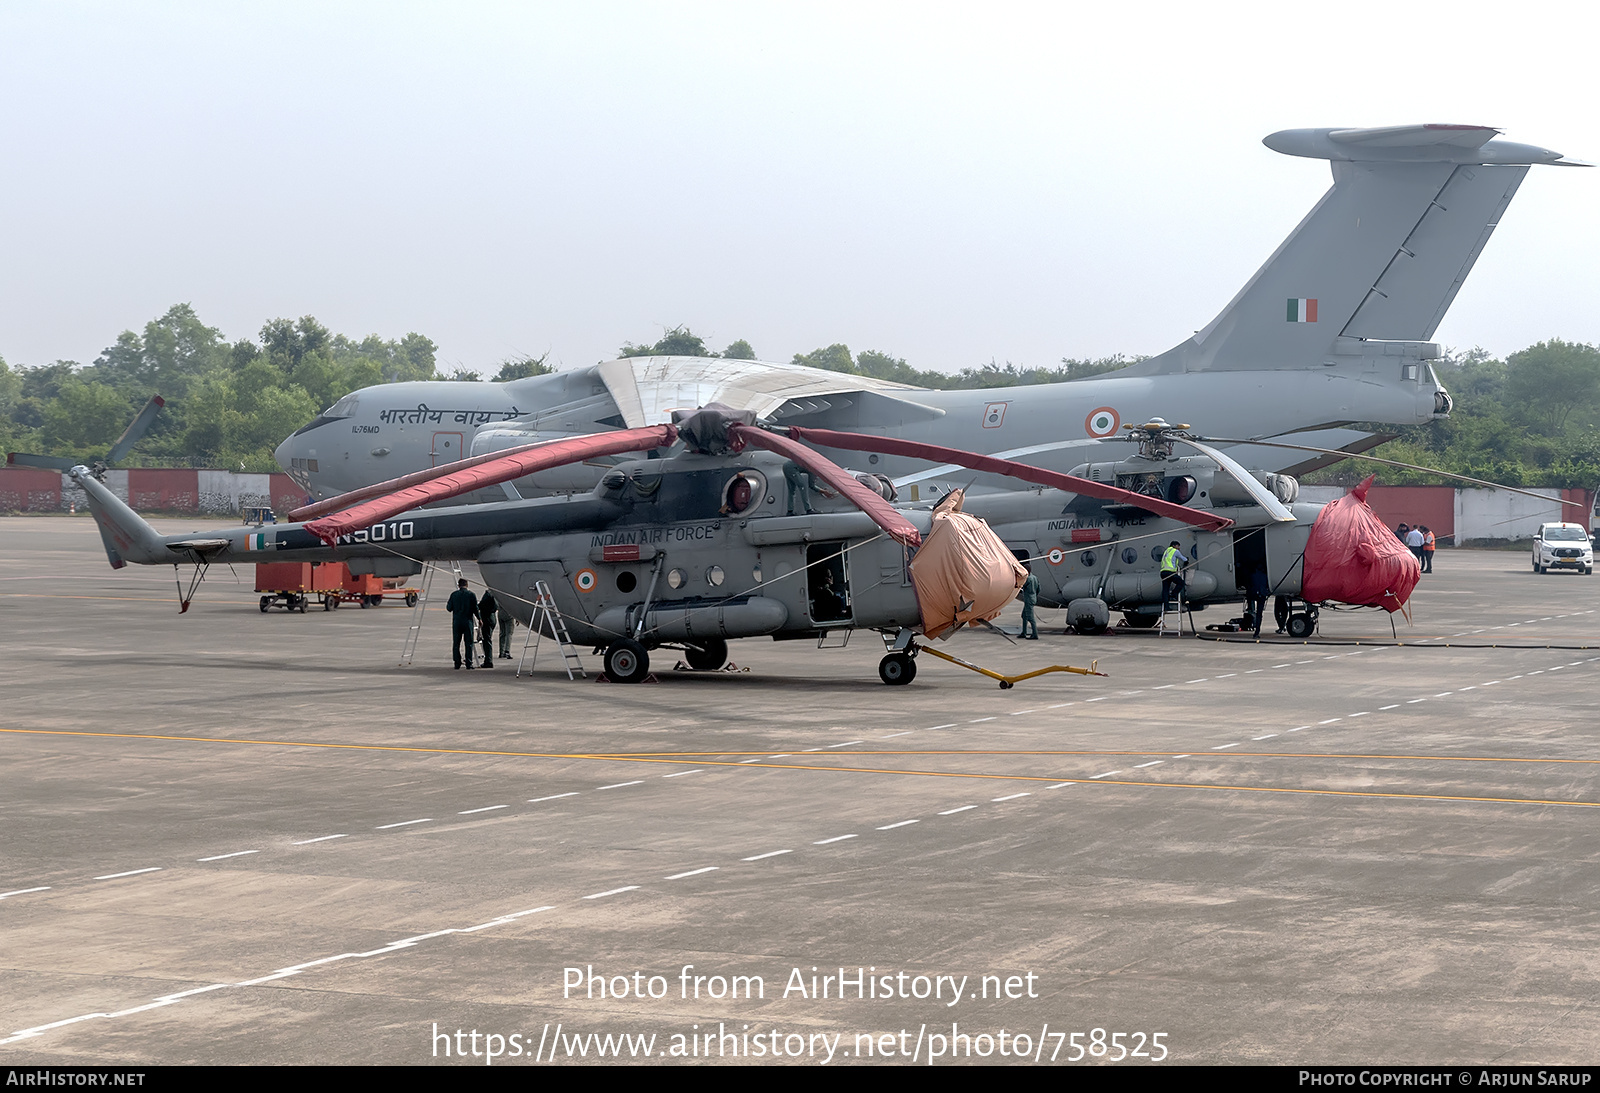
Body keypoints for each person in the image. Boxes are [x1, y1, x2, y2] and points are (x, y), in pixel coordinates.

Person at [446, 579, 479, 670]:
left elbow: (449, 608)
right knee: (468, 643)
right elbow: (475, 609)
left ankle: (457, 663)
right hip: (468, 621)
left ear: (458, 585)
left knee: (456, 643)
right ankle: (469, 663)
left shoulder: (454, 595)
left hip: (457, 621)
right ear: (467, 585)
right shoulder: (471, 595)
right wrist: (479, 619)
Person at [1160, 541, 1188, 608]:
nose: (1179, 548)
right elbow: (1183, 558)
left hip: (1163, 572)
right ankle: (1173, 594)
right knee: (1181, 583)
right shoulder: (1175, 551)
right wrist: (1187, 560)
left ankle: (1166, 607)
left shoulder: (1166, 551)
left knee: (1165, 590)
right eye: (1178, 546)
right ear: (1174, 545)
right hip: (1170, 572)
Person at [1245, 564, 1270, 638]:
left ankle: (1250, 611)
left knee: (1252, 610)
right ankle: (1257, 631)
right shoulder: (1265, 576)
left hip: (1253, 593)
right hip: (1262, 594)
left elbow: (1248, 584)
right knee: (1259, 614)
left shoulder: (1252, 575)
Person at [477, 590, 498, 668]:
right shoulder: (493, 594)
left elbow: (482, 605)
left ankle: (488, 661)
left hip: (487, 619)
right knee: (487, 639)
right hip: (491, 618)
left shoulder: (488, 595)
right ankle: (488, 659)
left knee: (487, 639)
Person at [1019, 569, 1040, 639]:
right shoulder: (1035, 577)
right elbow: (1038, 589)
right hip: (1033, 598)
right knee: (1024, 615)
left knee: (1030, 618)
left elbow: (1022, 586)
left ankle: (1035, 634)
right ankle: (1024, 632)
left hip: (1028, 599)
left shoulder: (1028, 579)